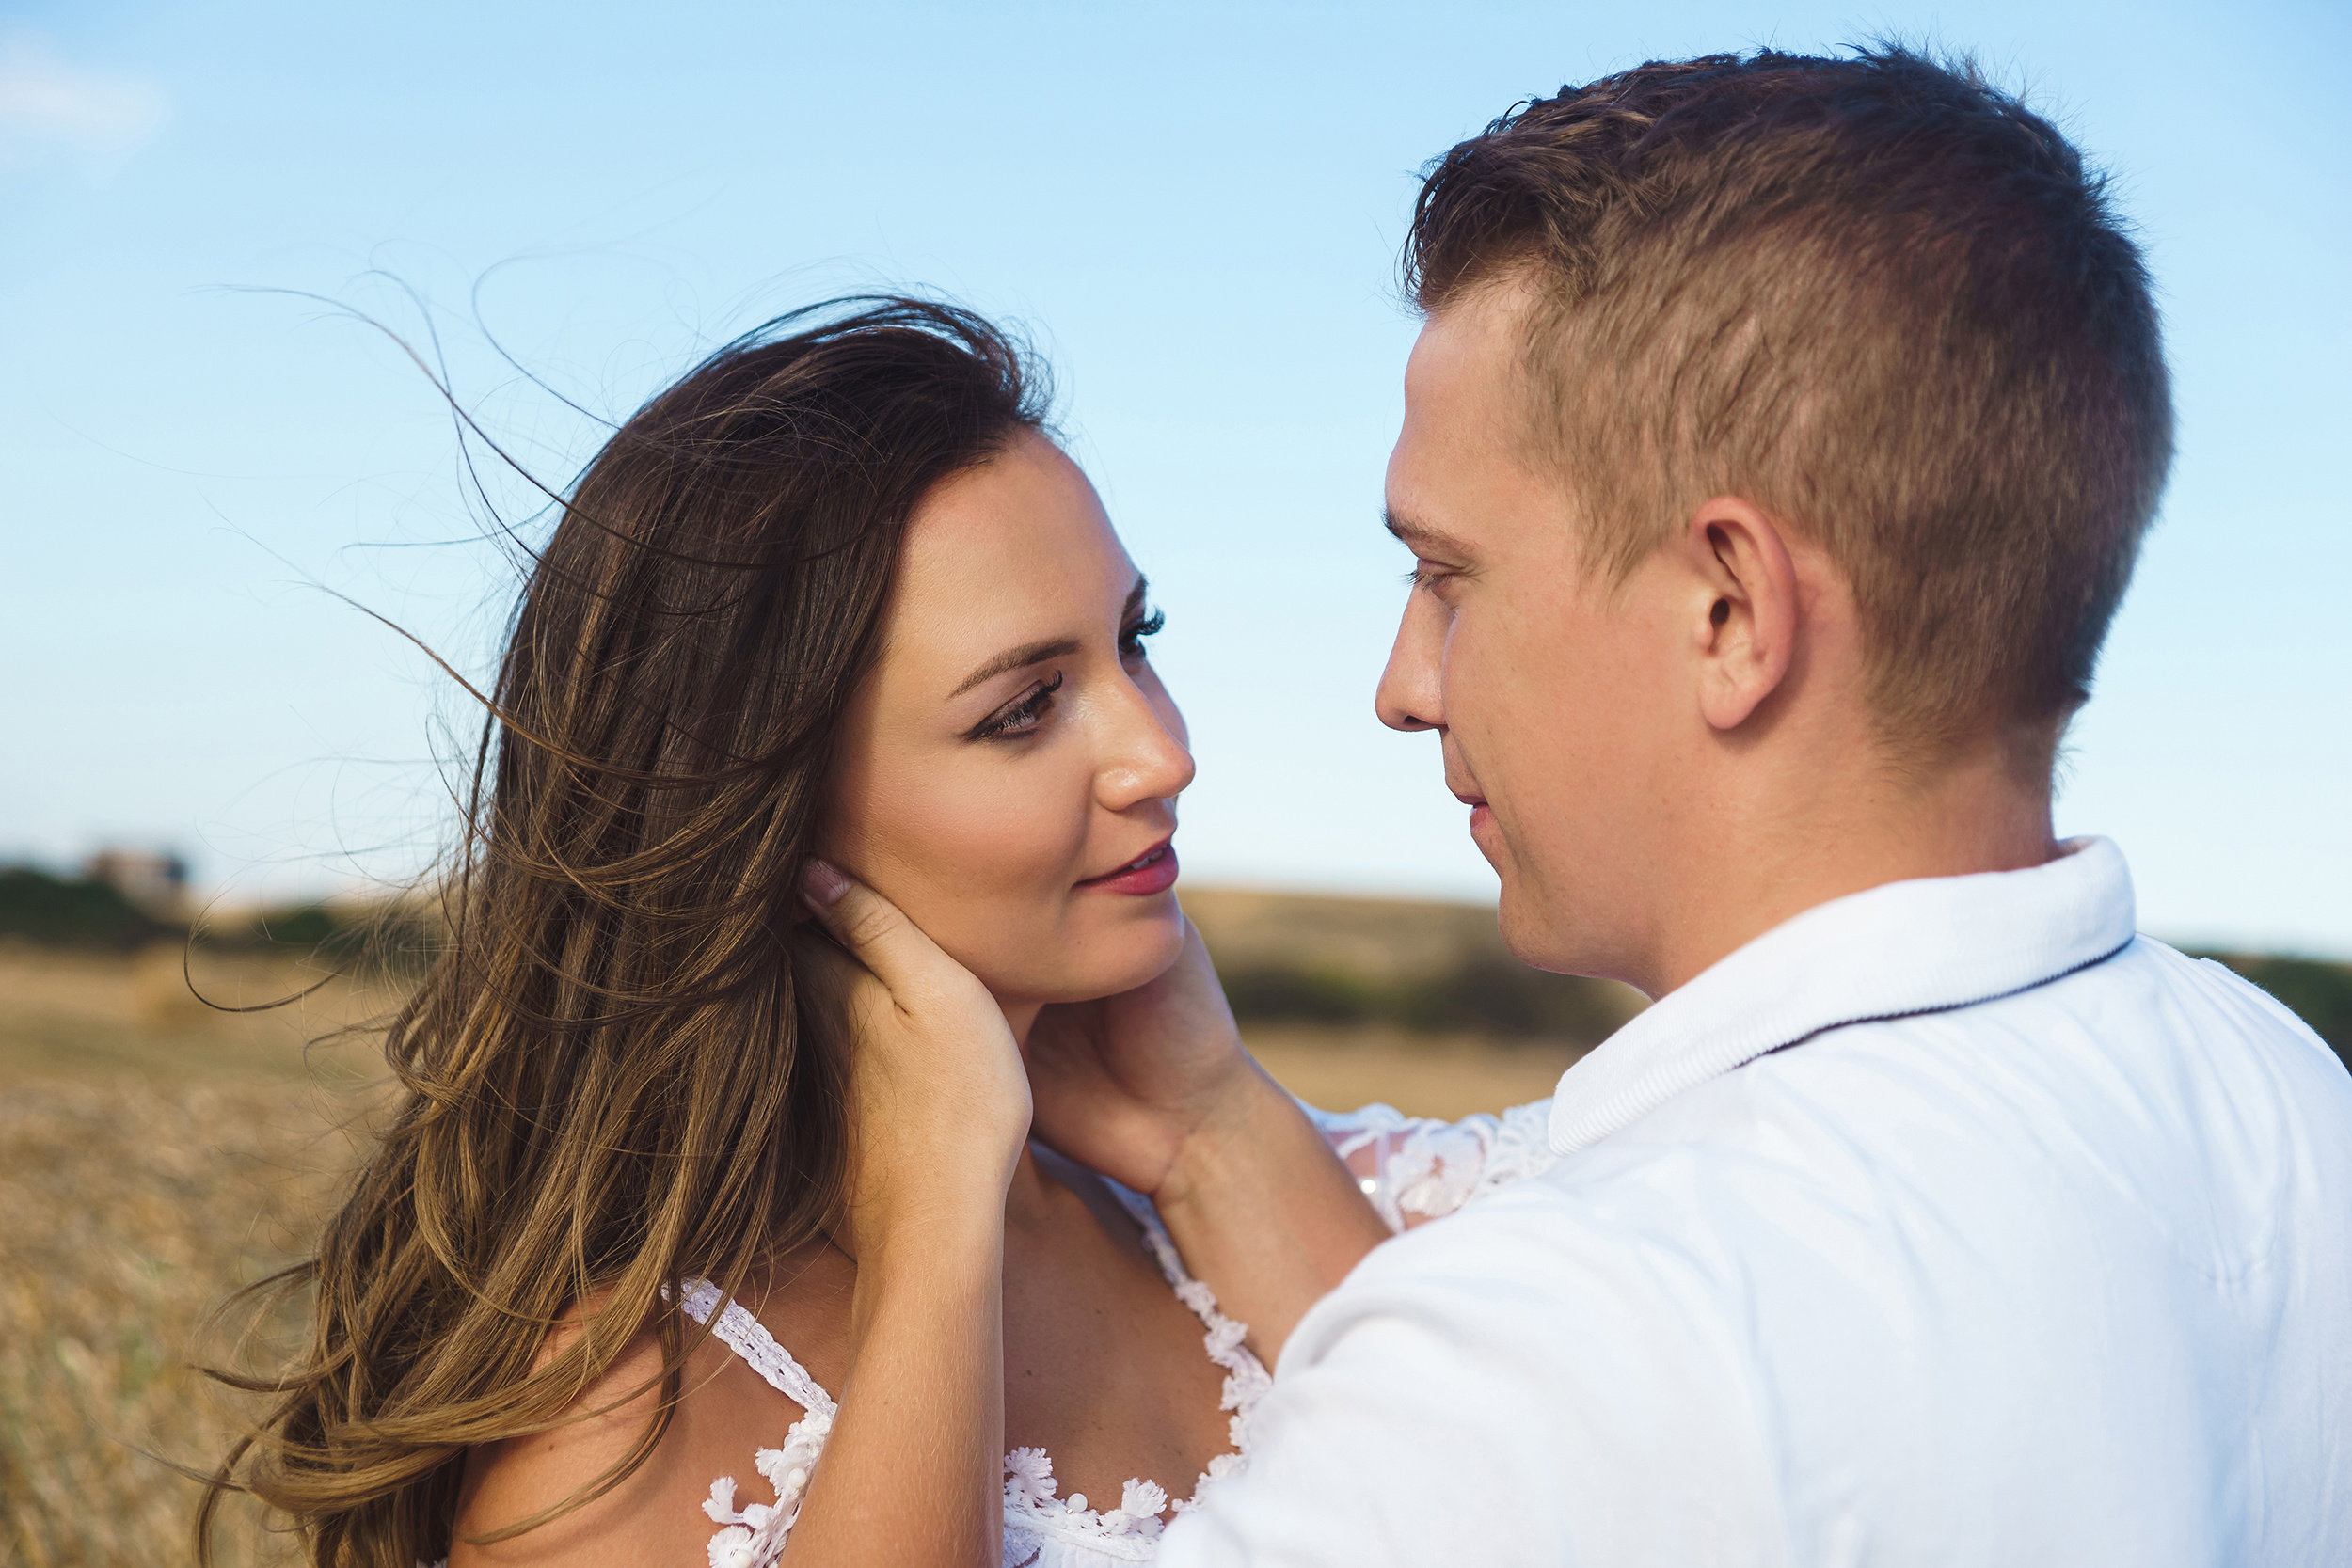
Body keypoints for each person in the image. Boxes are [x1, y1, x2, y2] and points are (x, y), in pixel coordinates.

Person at [824, 46, 2352, 1566]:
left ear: (1728, 615)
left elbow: (1566, 1417)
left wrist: (930, 1238)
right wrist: (1220, 1127)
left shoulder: (1572, 1351)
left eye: (1447, 577)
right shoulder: (2284, 1102)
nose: (1404, 682)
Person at [202, 297, 1533, 1568]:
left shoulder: (1284, 1193)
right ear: (772, 819)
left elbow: (1552, 1527)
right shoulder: (618, 1435)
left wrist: (1209, 1124)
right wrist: (937, 1231)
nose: (1160, 752)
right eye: (1023, 708)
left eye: (1137, 641)